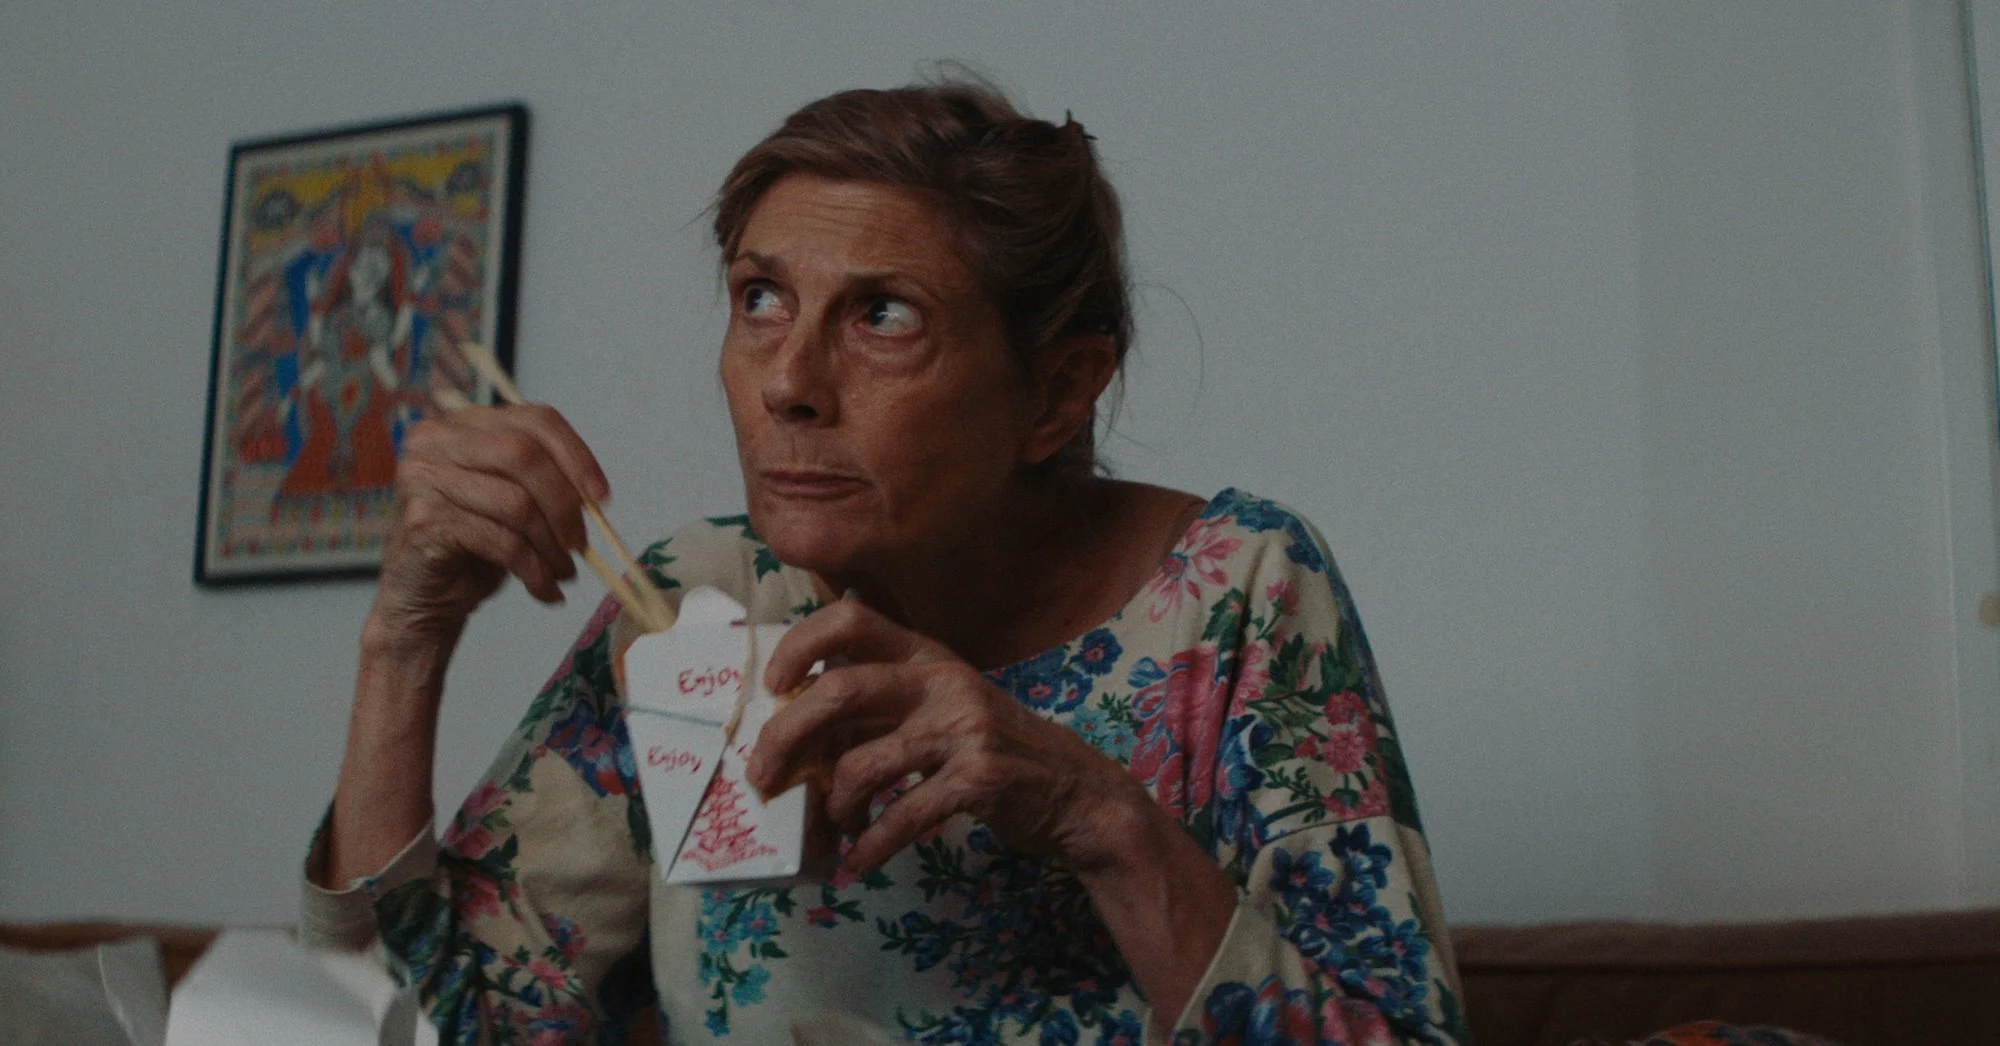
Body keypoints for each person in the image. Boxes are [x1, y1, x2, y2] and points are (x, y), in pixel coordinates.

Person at [305, 79, 1468, 1045]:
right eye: (761, 298)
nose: (787, 382)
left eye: (884, 317)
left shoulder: (1238, 593)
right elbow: (402, 1024)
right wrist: (403, 642)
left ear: (1058, 391)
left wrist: (1093, 813)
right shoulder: (694, 604)